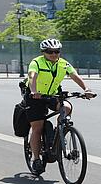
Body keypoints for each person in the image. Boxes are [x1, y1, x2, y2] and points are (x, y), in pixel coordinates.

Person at [25, 38, 95, 175]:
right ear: (43, 52)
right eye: (50, 52)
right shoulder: (37, 62)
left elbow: (75, 76)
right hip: (36, 97)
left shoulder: (63, 64)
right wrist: (34, 91)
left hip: (52, 95)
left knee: (67, 107)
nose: (53, 54)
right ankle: (36, 159)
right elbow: (32, 76)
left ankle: (60, 132)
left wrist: (87, 89)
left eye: (56, 51)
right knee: (37, 128)